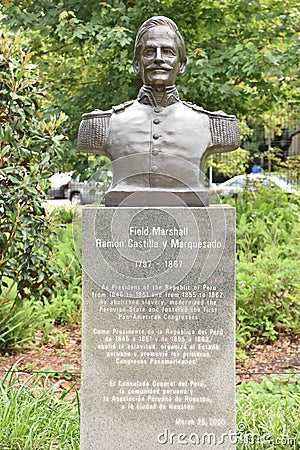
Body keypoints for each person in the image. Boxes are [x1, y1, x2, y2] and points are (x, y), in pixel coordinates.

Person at [78, 16, 240, 206]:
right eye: (149, 52)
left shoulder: (213, 125)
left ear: (182, 65)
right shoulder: (102, 124)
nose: (158, 58)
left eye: (168, 51)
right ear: (137, 65)